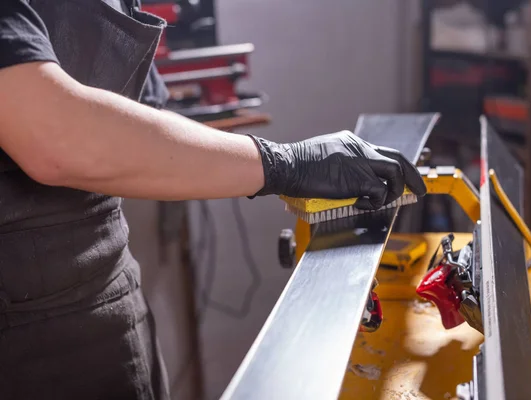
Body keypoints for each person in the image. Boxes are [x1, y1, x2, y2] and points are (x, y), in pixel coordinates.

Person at [0, 1, 426, 399]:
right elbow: (53, 136)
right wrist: (285, 164)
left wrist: (285, 163)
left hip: (111, 292)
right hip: (19, 334)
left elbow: (142, 119)